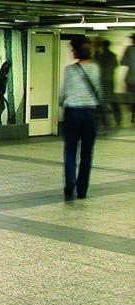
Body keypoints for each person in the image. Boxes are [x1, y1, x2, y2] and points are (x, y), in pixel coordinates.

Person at [59, 36, 101, 200]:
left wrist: (61, 106)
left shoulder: (69, 70)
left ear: (76, 51)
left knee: (70, 150)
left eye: (72, 49)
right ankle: (82, 190)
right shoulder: (95, 69)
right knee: (87, 153)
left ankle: (70, 182)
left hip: (72, 112)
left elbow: (63, 94)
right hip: (90, 113)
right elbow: (99, 91)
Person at [94, 38, 121, 126]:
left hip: (102, 79)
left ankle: (102, 120)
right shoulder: (113, 55)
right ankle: (118, 119)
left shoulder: (100, 56)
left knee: (102, 99)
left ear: (103, 46)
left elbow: (95, 63)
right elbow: (115, 66)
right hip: (110, 79)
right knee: (112, 98)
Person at [123, 34, 135, 124]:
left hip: (131, 79)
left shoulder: (128, 49)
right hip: (130, 79)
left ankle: (133, 116)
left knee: (132, 98)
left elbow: (123, 62)